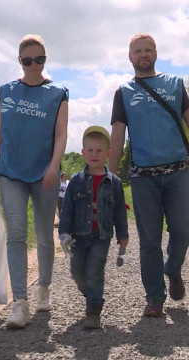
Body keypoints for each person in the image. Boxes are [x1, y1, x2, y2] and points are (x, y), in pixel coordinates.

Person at [108, 33, 189, 317]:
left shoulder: (175, 85)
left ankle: (173, 269)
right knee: (149, 240)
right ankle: (154, 297)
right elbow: (117, 135)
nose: (143, 55)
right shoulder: (123, 92)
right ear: (129, 56)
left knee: (182, 229)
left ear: (156, 53)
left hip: (177, 171)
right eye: (138, 51)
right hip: (143, 177)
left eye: (149, 50)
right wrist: (107, 176)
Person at [0, 34, 69, 329]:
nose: (34, 65)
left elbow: (61, 135)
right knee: (17, 233)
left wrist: (54, 167)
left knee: (44, 234)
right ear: (19, 61)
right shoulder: (6, 91)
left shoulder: (58, 92)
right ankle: (20, 302)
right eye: (27, 60)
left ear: (45, 59)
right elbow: (0, 130)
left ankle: (43, 287)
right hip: (10, 172)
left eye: (40, 59)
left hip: (44, 173)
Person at [58, 126, 128, 330]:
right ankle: (92, 295)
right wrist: (64, 233)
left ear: (108, 154)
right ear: (83, 152)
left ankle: (94, 311)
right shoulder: (76, 182)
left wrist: (122, 235)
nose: (94, 155)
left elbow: (120, 212)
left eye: (99, 151)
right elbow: (67, 210)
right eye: (90, 150)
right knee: (77, 273)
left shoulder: (113, 183)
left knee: (94, 272)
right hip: (78, 237)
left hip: (101, 236)